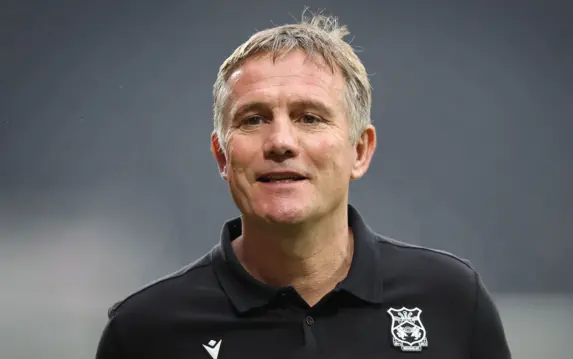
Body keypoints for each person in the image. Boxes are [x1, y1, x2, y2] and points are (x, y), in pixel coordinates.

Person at [95, 11, 511, 359]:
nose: (280, 142)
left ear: (360, 151)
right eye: (253, 119)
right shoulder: (145, 333)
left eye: (309, 117)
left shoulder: (451, 300)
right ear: (223, 156)